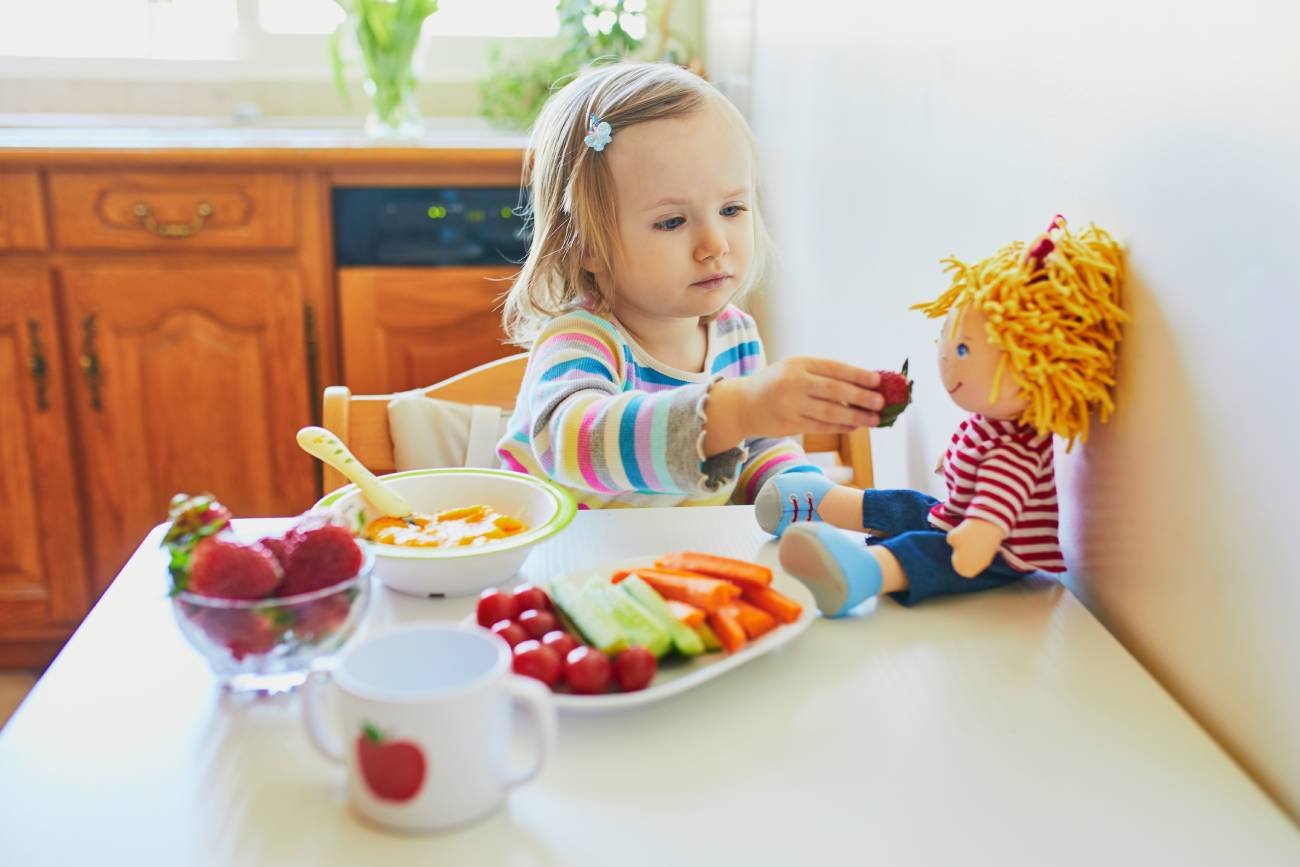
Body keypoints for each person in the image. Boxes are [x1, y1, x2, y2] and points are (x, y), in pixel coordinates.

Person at [497, 61, 885, 508]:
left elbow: (757, 451)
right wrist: (739, 408)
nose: (714, 244)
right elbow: (575, 444)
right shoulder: (581, 342)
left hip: (673, 564)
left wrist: (828, 503)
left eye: (732, 209)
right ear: (588, 246)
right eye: (672, 221)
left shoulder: (734, 337)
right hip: (562, 564)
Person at [756, 217, 1126, 616]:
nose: (947, 358)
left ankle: (863, 572)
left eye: (963, 350)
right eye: (948, 339)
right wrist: (951, 458)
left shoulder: (1018, 448)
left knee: (928, 552)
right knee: (907, 504)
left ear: (1035, 365)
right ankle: (819, 502)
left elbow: (1000, 498)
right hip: (955, 516)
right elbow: (973, 444)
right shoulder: (993, 423)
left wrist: (980, 536)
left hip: (996, 551)